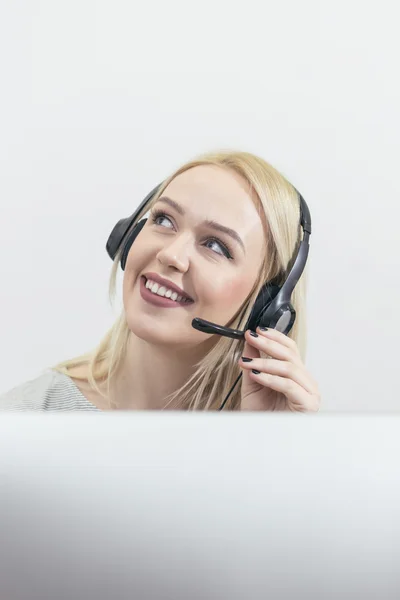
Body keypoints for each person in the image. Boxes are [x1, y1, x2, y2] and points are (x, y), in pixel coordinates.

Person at [0, 150, 320, 412]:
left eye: (216, 246)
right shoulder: (26, 418)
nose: (171, 255)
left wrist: (274, 451)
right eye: (163, 220)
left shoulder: (270, 432)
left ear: (266, 305)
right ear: (128, 237)